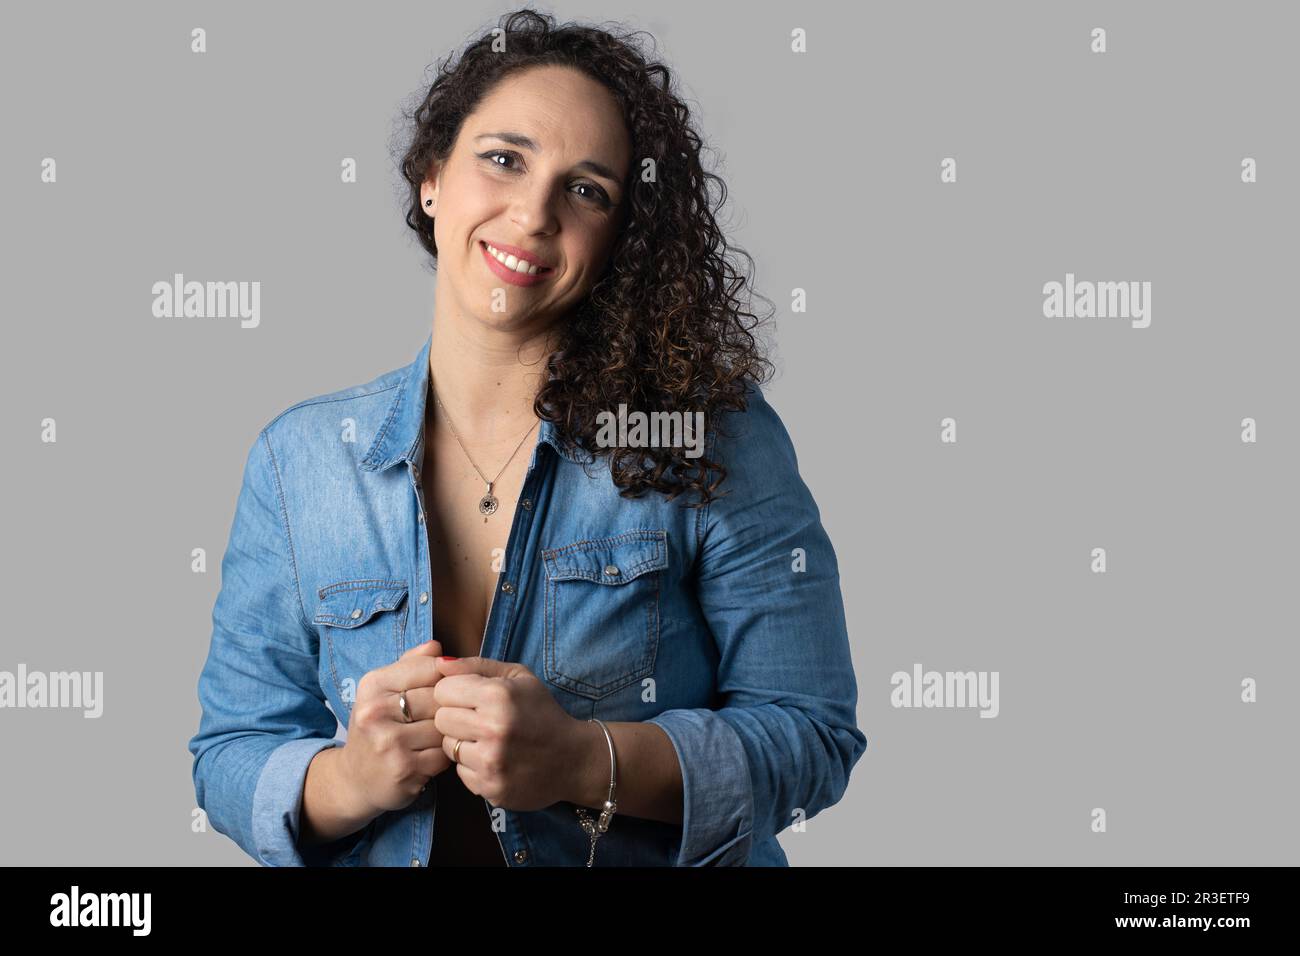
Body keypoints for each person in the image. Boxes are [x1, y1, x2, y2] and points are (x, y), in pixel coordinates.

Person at [188, 7, 866, 867]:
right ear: (432, 176)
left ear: (619, 237)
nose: (534, 212)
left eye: (587, 190)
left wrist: (584, 760)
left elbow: (810, 735)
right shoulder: (299, 461)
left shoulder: (703, 437)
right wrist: (349, 780)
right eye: (503, 159)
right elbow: (229, 753)